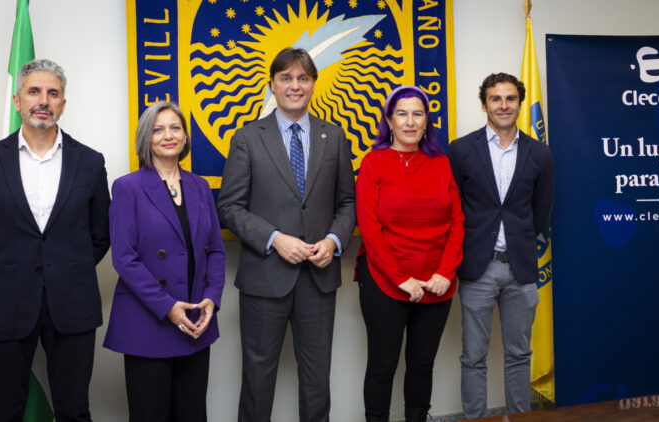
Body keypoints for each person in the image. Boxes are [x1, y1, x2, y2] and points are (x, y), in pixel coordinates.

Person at [0, 59, 110, 421]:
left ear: (63, 104)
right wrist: (7, 277)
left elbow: (100, 236)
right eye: (34, 92)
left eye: (53, 93)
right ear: (17, 101)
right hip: (4, 304)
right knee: (3, 413)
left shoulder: (90, 162)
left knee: (74, 411)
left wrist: (63, 274)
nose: (43, 100)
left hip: (72, 306)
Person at [216, 47, 356, 422]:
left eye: (303, 78)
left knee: (317, 381)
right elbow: (229, 207)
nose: (295, 85)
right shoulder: (247, 138)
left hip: (318, 279)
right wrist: (275, 238)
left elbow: (347, 203)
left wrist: (334, 241)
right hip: (264, 279)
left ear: (313, 84)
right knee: (258, 379)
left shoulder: (334, 136)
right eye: (286, 78)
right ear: (272, 86)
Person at [103, 101, 225, 422]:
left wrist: (212, 298)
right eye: (158, 129)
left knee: (192, 414)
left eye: (175, 128)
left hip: (196, 322)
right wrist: (168, 307)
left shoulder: (200, 187)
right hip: (149, 322)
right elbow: (124, 258)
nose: (168, 135)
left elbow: (215, 251)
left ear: (185, 137)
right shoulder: (127, 187)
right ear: (147, 138)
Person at [447, 73, 554, 419]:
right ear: (484, 105)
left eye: (510, 99)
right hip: (478, 266)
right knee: (474, 356)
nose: (503, 105)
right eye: (496, 99)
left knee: (519, 354)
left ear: (520, 105)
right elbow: (455, 207)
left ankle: (520, 416)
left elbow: (541, 211)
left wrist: (519, 241)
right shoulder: (462, 150)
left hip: (521, 267)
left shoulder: (540, 153)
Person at [355, 85, 464, 422]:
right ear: (389, 120)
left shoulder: (442, 164)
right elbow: (369, 229)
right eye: (401, 113)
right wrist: (402, 279)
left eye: (418, 113)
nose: (410, 121)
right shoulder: (373, 163)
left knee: (422, 365)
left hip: (435, 283)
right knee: (382, 366)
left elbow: (457, 223)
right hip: (385, 282)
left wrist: (445, 273)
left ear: (427, 121)